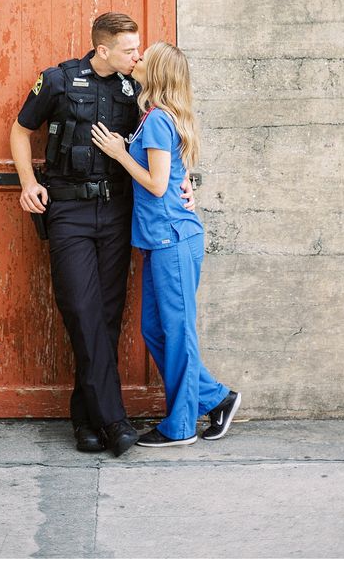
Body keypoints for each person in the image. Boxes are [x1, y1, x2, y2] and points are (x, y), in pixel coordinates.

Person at [92, 42, 241, 447]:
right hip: (162, 240)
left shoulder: (158, 120)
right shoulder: (154, 117)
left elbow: (158, 185)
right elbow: (174, 176)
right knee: (155, 330)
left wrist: (120, 154)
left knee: (177, 333)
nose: (136, 59)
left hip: (173, 238)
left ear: (156, 71)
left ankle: (179, 427)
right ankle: (216, 397)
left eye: (144, 57)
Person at [10, 12, 143, 457]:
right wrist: (29, 182)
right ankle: (115, 421)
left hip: (119, 210)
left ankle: (85, 421)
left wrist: (179, 177)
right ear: (102, 49)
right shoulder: (58, 80)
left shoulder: (136, 86)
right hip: (69, 211)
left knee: (105, 317)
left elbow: (167, 131)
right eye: (128, 49)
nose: (136, 55)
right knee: (83, 313)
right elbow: (21, 129)